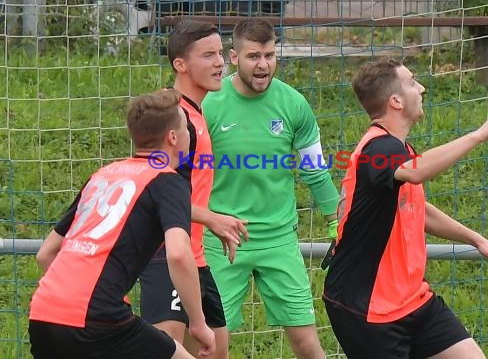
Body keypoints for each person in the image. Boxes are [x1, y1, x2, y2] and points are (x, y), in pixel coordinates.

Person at [322, 58, 488, 358]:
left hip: (413, 300)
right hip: (367, 308)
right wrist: (480, 133)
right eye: (413, 81)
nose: (422, 87)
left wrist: (477, 240)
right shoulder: (377, 149)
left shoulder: (398, 152)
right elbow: (418, 171)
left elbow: (418, 209)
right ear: (396, 101)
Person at [29, 89, 215, 359]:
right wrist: (198, 324)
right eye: (186, 129)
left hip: (43, 314)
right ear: (173, 137)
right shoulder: (167, 180)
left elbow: (45, 253)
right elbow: (177, 253)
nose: (190, 135)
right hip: (97, 317)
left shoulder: (102, 176)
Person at [201, 18, 339, 359]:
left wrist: (337, 220)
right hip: (221, 240)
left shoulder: (293, 105)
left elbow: (315, 171)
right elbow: (183, 176)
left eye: (269, 55)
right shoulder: (208, 105)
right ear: (234, 58)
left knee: (308, 344)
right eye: (253, 56)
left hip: (279, 240)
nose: (263, 64)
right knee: (210, 345)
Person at [138, 20, 248, 359]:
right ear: (180, 64)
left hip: (194, 258)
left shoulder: (197, 115)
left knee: (218, 351)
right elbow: (149, 188)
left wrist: (207, 221)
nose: (220, 63)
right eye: (208, 55)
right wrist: (211, 218)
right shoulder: (172, 121)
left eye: (220, 54)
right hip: (165, 256)